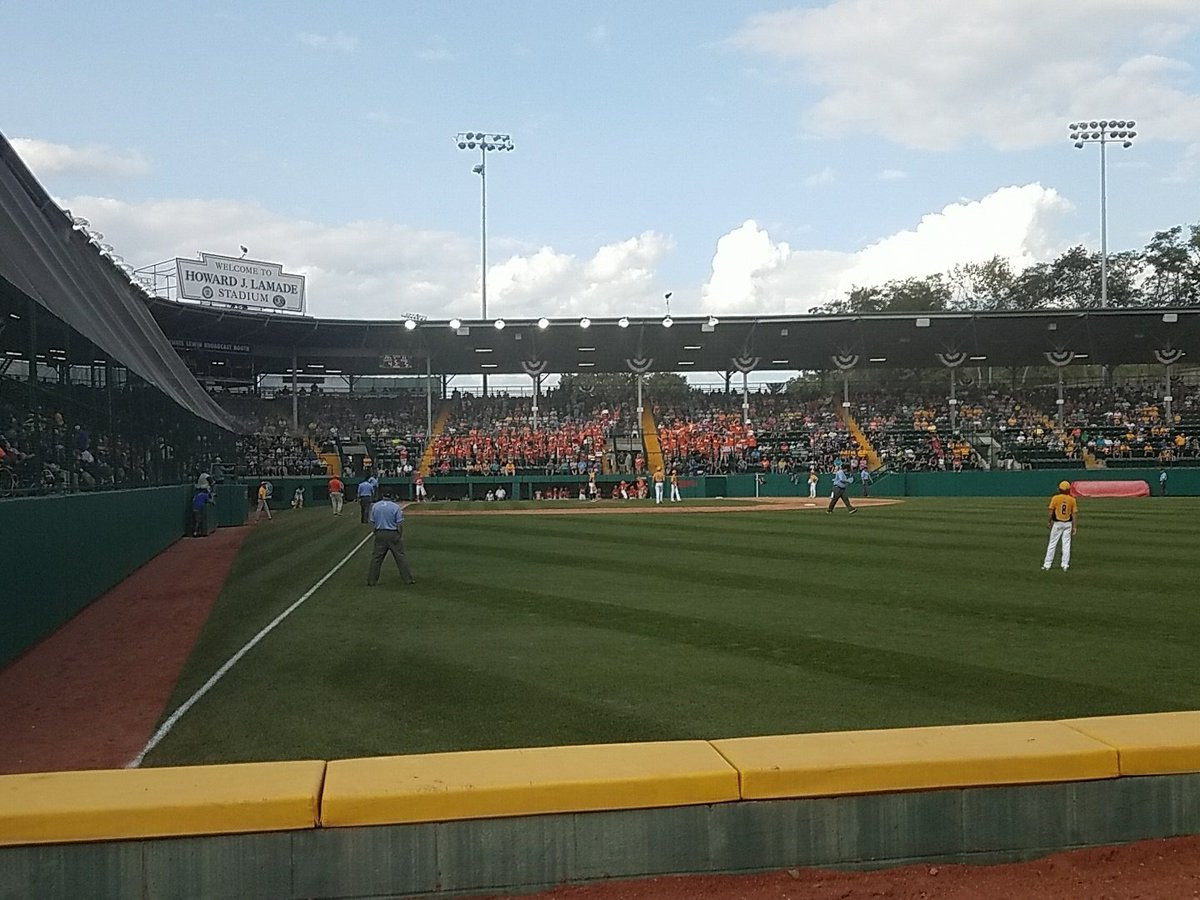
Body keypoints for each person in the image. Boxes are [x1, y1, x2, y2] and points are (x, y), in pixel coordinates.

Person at [366, 490, 416, 586]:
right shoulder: (396, 507)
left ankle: (372, 581)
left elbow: (372, 522)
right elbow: (399, 523)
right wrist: (399, 534)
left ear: (382, 495)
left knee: (376, 558)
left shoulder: (375, 506)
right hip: (393, 533)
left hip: (380, 533)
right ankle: (408, 579)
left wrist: (375, 532)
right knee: (400, 557)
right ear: (392, 496)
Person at [1043, 480, 1078, 572]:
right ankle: (1065, 565)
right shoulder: (1072, 499)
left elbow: (1051, 511)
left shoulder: (1055, 498)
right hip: (1068, 523)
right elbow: (1074, 514)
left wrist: (1049, 521)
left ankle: (1047, 564)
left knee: (1052, 544)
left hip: (1058, 523)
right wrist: (1074, 527)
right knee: (1066, 544)